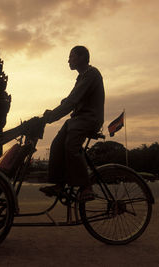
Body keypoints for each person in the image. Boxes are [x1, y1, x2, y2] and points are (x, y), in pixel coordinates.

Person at [40, 45, 105, 200]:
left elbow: (71, 101)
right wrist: (52, 112)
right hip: (77, 120)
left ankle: (86, 187)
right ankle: (59, 184)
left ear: (82, 57)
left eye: (71, 57)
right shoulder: (81, 77)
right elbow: (70, 100)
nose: (68, 60)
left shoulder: (91, 74)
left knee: (71, 146)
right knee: (56, 144)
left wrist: (51, 117)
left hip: (89, 119)